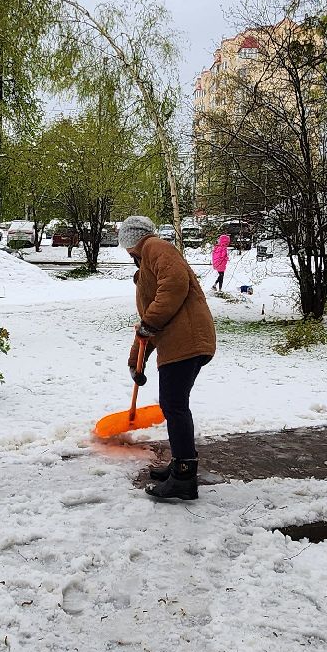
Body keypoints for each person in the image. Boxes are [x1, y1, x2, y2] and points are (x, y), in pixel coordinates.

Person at [118, 215, 216, 501]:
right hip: (180, 340)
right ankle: (181, 463)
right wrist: (136, 361)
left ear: (131, 241)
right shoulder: (147, 263)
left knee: (173, 405)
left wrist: (151, 322)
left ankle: (184, 476)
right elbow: (147, 321)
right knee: (174, 405)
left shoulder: (155, 247)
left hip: (186, 339)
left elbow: (173, 285)